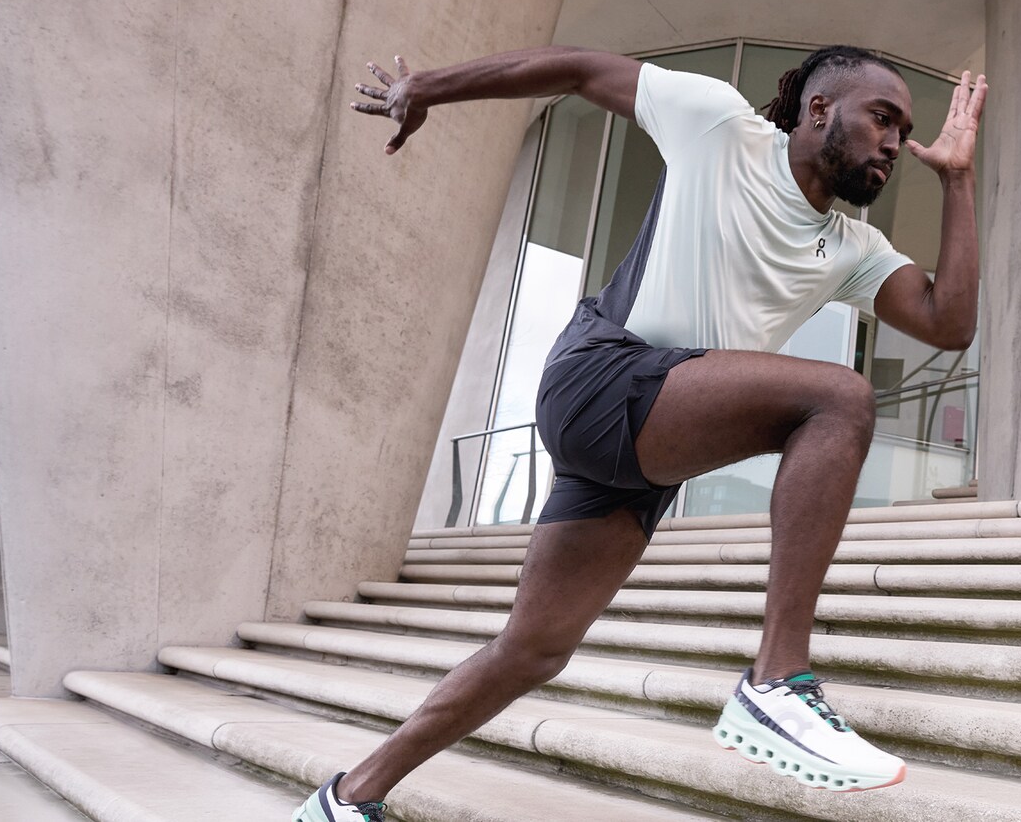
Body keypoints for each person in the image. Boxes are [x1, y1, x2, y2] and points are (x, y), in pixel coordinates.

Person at [289, 43, 985, 822]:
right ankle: (776, 682)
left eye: (906, 129)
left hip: (644, 443)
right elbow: (580, 69)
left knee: (534, 649)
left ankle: (345, 798)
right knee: (840, 399)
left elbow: (948, 322)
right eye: (881, 118)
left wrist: (956, 177)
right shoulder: (718, 125)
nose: (894, 142)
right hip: (602, 376)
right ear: (820, 110)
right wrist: (427, 87)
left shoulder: (853, 249)